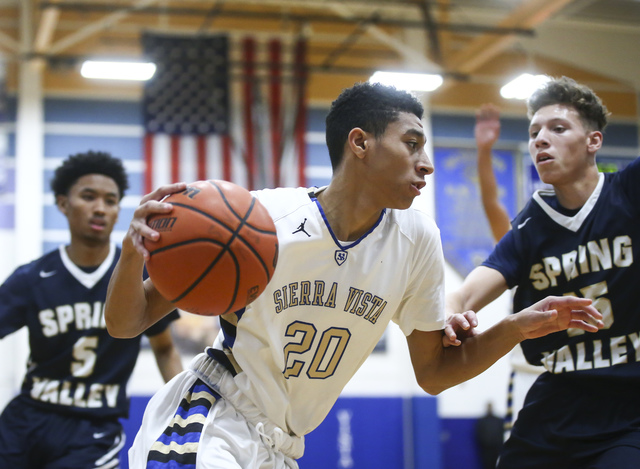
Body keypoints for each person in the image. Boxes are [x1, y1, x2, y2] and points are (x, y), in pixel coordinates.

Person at [105, 82, 603, 468]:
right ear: (360, 143)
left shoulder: (417, 240)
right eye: (411, 144)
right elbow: (126, 324)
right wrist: (132, 253)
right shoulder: (262, 220)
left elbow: (433, 374)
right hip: (212, 416)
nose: (425, 163)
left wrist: (518, 326)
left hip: (282, 448)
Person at [445, 76, 640, 468]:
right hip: (558, 401)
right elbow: (465, 295)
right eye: (534, 132)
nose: (540, 139)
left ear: (594, 142)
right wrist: (450, 312)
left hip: (629, 402)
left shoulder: (628, 191)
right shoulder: (529, 226)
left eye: (557, 128)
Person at [0, 151, 183, 468]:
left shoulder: (137, 277)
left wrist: (184, 412)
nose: (100, 208)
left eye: (111, 201)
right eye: (88, 196)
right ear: (62, 204)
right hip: (26, 418)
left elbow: (165, 349)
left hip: (94, 428)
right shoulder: (31, 278)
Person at [474, 103, 544, 436]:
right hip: (531, 372)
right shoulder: (522, 244)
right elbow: (491, 202)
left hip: (590, 372)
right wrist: (484, 151)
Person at [475, 402, 504, 469]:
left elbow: (501, 433)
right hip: (486, 449)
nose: (489, 408)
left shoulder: (498, 420)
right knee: (486, 465)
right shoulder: (482, 421)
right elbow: (479, 434)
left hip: (496, 448)